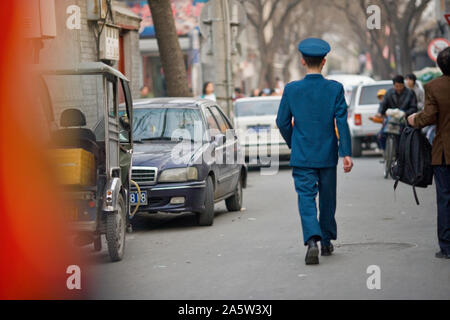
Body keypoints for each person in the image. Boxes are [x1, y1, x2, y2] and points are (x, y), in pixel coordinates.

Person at [276, 38, 353, 265]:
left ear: (302, 61)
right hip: (327, 155)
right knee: (328, 199)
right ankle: (327, 239)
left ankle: (312, 240)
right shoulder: (335, 89)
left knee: (306, 198)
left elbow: (281, 122)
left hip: (302, 156)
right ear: (324, 61)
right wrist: (345, 153)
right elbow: (342, 122)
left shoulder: (291, 89)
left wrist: (294, 143)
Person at [407, 47, 450, 259]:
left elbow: (430, 116)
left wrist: (414, 119)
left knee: (445, 199)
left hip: (444, 153)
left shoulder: (434, 86)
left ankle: (447, 247)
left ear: (440, 66)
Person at [375, 75, 418, 150]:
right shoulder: (389, 93)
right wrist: (380, 113)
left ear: (403, 84)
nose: (398, 88)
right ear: (394, 85)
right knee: (380, 135)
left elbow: (414, 108)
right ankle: (386, 152)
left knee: (404, 136)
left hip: (405, 119)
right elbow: (383, 105)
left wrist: (405, 113)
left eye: (400, 86)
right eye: (396, 86)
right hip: (391, 119)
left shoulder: (410, 93)